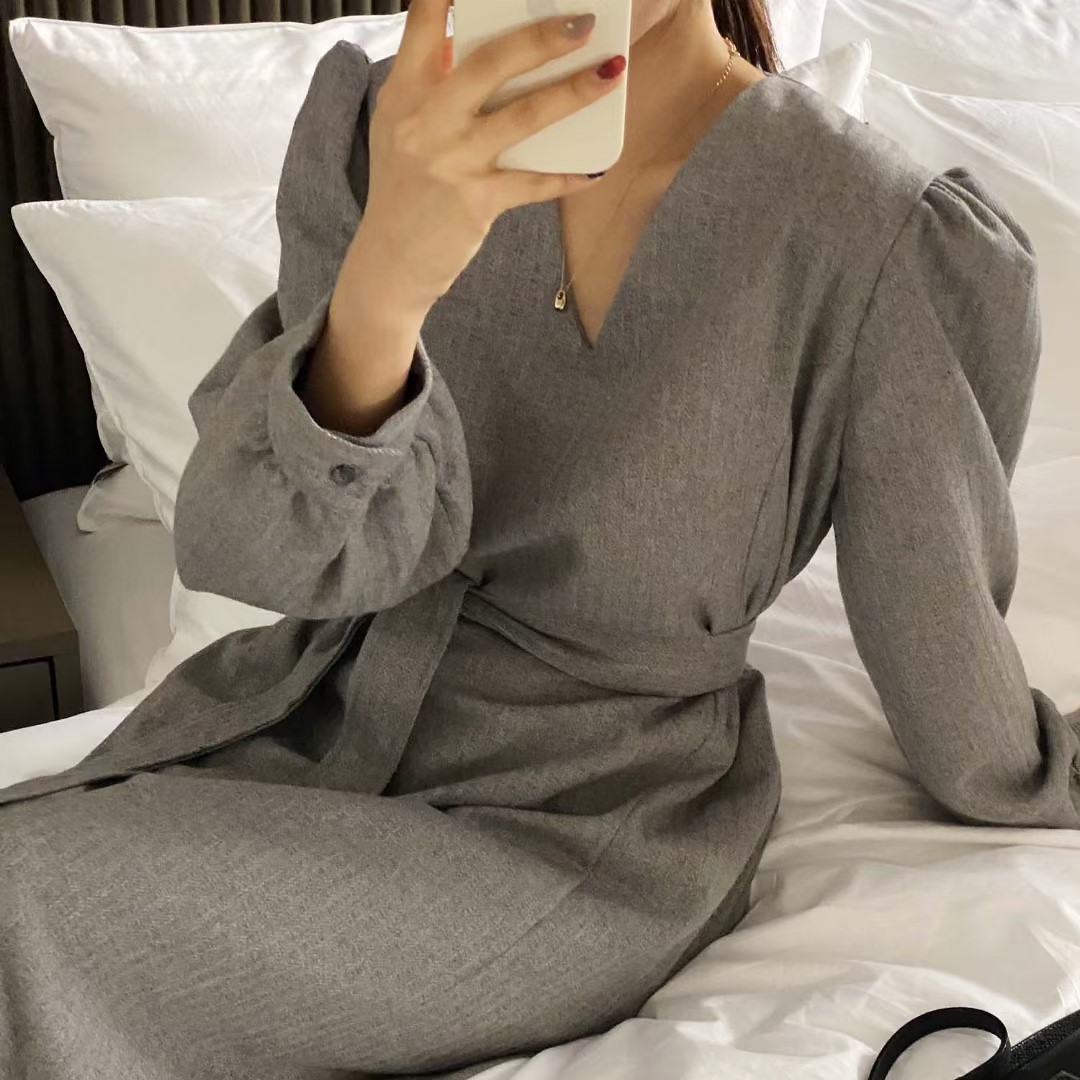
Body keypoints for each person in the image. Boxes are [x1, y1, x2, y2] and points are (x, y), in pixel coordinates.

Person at [2, 0, 1078, 1076]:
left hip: (575, 826)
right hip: (297, 722)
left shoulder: (880, 235)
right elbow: (264, 556)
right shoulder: (383, 130)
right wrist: (387, 283)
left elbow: (944, 649)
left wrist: (1035, 770)